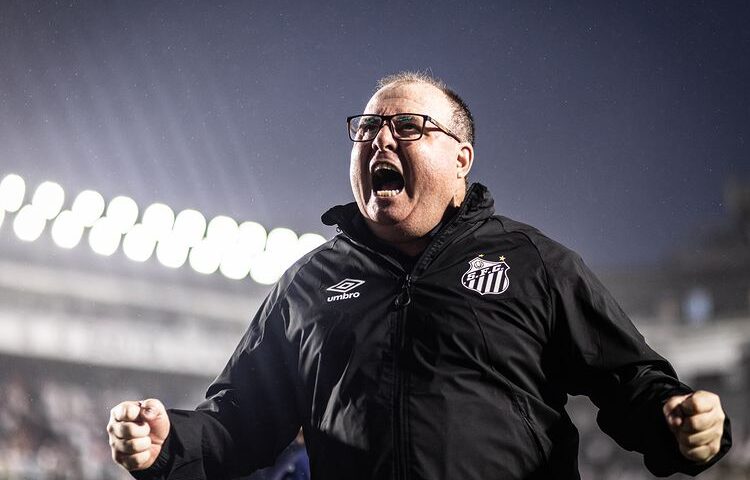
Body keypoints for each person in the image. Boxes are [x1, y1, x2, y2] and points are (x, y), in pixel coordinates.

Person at [107, 72, 731, 479]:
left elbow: (630, 380)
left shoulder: (533, 262)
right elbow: (241, 419)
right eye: (367, 128)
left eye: (408, 127)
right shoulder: (306, 285)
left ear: (462, 160)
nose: (381, 138)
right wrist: (170, 443)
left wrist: (679, 423)